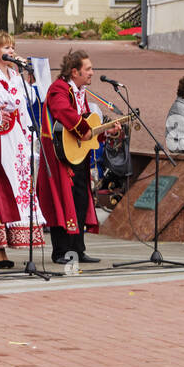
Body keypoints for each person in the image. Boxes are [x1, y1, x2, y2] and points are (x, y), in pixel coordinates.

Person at [37, 49, 119, 264]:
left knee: (81, 201)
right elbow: (64, 113)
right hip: (60, 157)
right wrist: (86, 128)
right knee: (63, 201)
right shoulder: (59, 89)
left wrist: (105, 130)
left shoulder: (80, 91)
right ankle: (60, 251)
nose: (92, 72)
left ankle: (77, 250)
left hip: (77, 154)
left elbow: (87, 129)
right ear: (74, 72)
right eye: (88, 69)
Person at [0, 30, 45, 255]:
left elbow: (28, 104)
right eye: (6, 48)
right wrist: (20, 83)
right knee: (5, 184)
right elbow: (7, 101)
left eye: (12, 47)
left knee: (21, 184)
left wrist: (30, 137)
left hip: (16, 135)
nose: (11, 51)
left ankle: (17, 239)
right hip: (0, 137)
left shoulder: (15, 76)